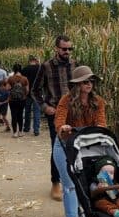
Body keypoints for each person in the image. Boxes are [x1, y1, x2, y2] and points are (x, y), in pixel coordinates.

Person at [53, 65, 106, 217]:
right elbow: (59, 120)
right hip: (66, 145)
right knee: (69, 184)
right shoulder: (66, 100)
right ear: (77, 84)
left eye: (91, 81)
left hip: (86, 146)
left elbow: (101, 122)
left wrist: (100, 129)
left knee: (86, 183)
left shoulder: (97, 101)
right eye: (85, 81)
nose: (89, 84)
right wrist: (63, 128)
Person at [34, 35, 77, 201]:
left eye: (69, 49)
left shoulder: (75, 65)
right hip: (56, 115)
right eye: (64, 49)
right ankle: (55, 183)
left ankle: (73, 180)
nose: (67, 52)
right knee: (57, 148)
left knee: (75, 146)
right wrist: (45, 107)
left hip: (74, 113)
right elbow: (35, 91)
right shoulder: (46, 66)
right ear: (56, 49)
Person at [5, 63, 29, 138]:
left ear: (13, 69)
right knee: (20, 115)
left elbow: (7, 88)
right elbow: (27, 90)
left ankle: (15, 132)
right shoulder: (25, 78)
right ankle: (21, 132)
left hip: (12, 100)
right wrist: (23, 95)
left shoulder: (10, 78)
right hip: (22, 99)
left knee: (14, 115)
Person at [21, 55, 42, 135]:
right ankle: (36, 130)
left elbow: (22, 82)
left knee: (27, 111)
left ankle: (26, 127)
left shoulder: (25, 69)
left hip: (28, 93)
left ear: (29, 61)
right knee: (37, 112)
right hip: (37, 93)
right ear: (35, 60)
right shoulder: (40, 69)